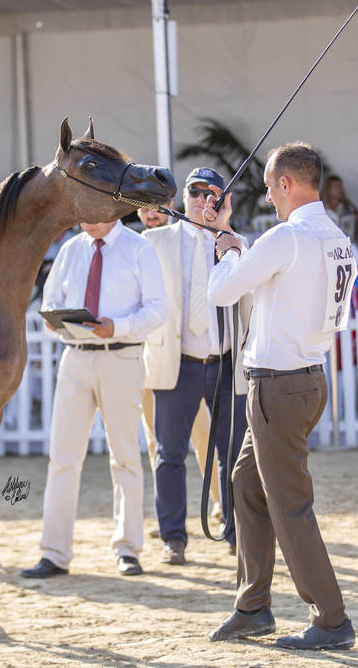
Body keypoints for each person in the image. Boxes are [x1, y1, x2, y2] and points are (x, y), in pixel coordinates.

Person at [206, 142, 356, 650]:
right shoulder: (335, 237)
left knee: (289, 504)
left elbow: (222, 291)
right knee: (246, 483)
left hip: (279, 386)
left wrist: (224, 251)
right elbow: (277, 271)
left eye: (270, 186)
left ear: (288, 183)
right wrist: (232, 241)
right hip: (308, 378)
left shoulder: (287, 236)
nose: (268, 195)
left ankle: (331, 618)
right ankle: (253, 606)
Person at [20, 218, 167, 579]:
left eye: (94, 215)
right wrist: (54, 319)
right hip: (75, 357)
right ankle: (54, 552)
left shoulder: (138, 248)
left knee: (125, 457)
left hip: (122, 355)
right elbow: (49, 302)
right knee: (62, 457)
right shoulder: (71, 248)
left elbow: (158, 309)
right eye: (82, 217)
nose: (87, 223)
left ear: (112, 210)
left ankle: (127, 548)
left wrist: (116, 326)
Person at [143, 168, 252, 562]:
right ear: (182, 196)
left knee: (232, 453)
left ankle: (238, 533)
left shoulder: (236, 245)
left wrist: (225, 234)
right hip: (178, 363)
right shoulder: (154, 241)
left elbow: (250, 295)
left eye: (213, 195)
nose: (203, 200)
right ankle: (174, 537)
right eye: (195, 192)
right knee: (170, 453)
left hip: (225, 363)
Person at [320, 174, 358, 242]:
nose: (339, 189)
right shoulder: (321, 208)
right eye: (336, 186)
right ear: (328, 189)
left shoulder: (349, 207)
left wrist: (356, 226)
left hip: (348, 243)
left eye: (340, 186)